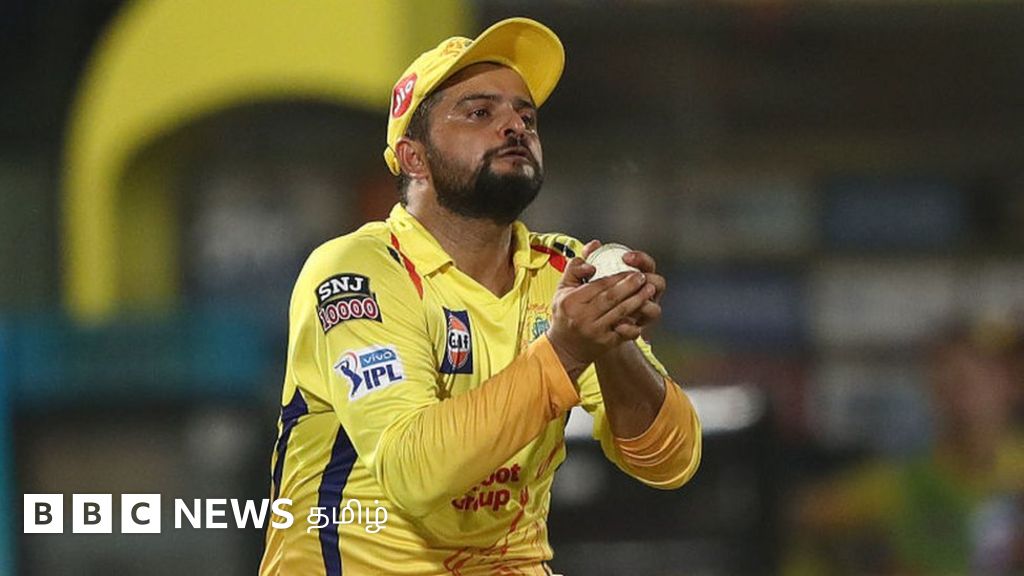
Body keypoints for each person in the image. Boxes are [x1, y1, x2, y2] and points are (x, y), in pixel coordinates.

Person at [259, 17, 702, 576]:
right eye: (479, 113)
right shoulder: (359, 271)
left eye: (526, 116)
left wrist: (611, 342)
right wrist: (565, 351)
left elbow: (670, 461)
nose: (514, 126)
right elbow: (413, 473)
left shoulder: (562, 271)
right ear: (414, 157)